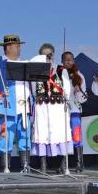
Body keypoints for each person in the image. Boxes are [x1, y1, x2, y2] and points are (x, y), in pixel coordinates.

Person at [0, 34, 32, 169]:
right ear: (8, 48)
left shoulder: (24, 64)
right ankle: (6, 169)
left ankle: (25, 168)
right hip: (6, 109)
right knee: (6, 139)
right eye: (17, 46)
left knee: (25, 138)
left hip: (23, 109)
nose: (19, 49)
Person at [29, 43, 72, 173]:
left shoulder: (61, 70)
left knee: (60, 133)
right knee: (42, 134)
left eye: (49, 55)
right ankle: (43, 166)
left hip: (57, 107)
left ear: (53, 55)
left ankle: (63, 165)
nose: (47, 57)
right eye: (44, 55)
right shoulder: (36, 72)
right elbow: (34, 91)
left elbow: (67, 90)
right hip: (42, 107)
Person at [61, 51, 88, 172]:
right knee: (63, 137)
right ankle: (63, 164)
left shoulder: (79, 76)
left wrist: (78, 91)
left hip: (75, 109)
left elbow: (83, 99)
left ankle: (79, 163)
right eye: (66, 60)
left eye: (71, 59)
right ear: (62, 61)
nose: (69, 62)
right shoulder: (59, 75)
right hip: (61, 110)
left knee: (76, 135)